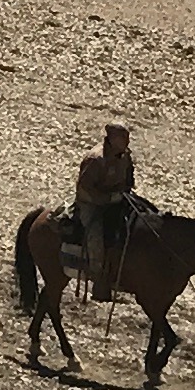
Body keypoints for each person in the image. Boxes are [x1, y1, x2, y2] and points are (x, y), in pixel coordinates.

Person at [73, 123, 139, 301]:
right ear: (111, 138)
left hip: (118, 199)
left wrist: (124, 192)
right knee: (96, 236)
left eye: (127, 138)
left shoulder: (125, 156)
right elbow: (84, 189)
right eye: (123, 138)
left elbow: (128, 179)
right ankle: (99, 279)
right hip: (92, 204)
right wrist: (108, 199)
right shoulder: (95, 159)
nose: (127, 141)